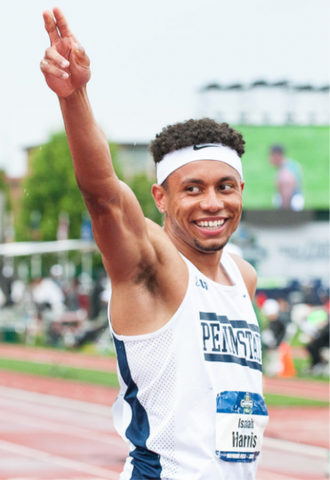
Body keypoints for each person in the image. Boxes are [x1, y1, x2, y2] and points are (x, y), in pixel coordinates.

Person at [40, 8, 268, 479]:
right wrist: (74, 95)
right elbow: (103, 196)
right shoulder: (151, 267)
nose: (212, 203)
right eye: (193, 188)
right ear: (160, 198)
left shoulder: (242, 277)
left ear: (241, 192)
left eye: (225, 186)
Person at [269, 144, 304, 211]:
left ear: (277, 155)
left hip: (291, 205)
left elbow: (287, 193)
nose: (269, 159)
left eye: (271, 155)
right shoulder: (292, 165)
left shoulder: (285, 171)